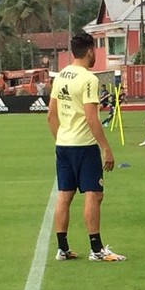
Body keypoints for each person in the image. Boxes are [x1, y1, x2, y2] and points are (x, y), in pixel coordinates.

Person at [47, 31, 125, 262]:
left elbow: (51, 115)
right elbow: (92, 117)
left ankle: (62, 248)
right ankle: (97, 249)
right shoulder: (89, 79)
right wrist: (106, 148)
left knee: (64, 195)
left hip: (63, 145)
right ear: (90, 51)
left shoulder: (60, 76)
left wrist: (61, 139)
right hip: (84, 146)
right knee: (94, 194)